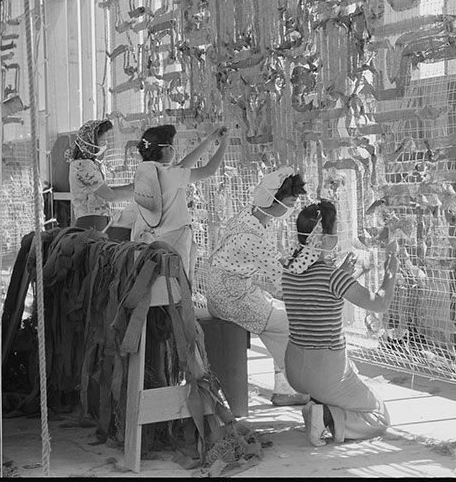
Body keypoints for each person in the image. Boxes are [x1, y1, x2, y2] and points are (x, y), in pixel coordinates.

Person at [281, 199, 398, 446]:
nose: (337, 237)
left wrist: (351, 273)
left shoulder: (289, 270)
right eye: (335, 232)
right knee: (379, 417)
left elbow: (320, 292)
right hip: (324, 372)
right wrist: (392, 269)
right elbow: (380, 304)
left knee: (350, 372)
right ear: (323, 240)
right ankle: (324, 416)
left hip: (294, 370)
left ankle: (317, 406)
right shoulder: (332, 276)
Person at [204, 166, 309, 406]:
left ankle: (288, 388)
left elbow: (267, 262)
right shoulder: (253, 235)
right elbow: (280, 281)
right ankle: (298, 386)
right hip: (231, 297)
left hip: (224, 290)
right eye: (290, 202)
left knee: (279, 318)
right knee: (289, 324)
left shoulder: (249, 215)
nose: (292, 208)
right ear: (273, 200)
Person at [132, 123, 229, 275]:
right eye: (172, 146)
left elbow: (182, 166)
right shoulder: (170, 175)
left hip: (153, 239)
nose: (173, 150)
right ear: (165, 149)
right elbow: (209, 170)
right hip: (173, 239)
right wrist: (224, 144)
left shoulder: (146, 172)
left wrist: (209, 141)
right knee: (178, 284)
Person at [66, 118, 134, 232]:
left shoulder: (90, 164)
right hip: (91, 221)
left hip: (99, 220)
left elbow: (106, 190)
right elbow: (110, 196)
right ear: (90, 142)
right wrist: (139, 193)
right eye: (102, 142)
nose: (105, 145)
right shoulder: (82, 166)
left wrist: (134, 187)